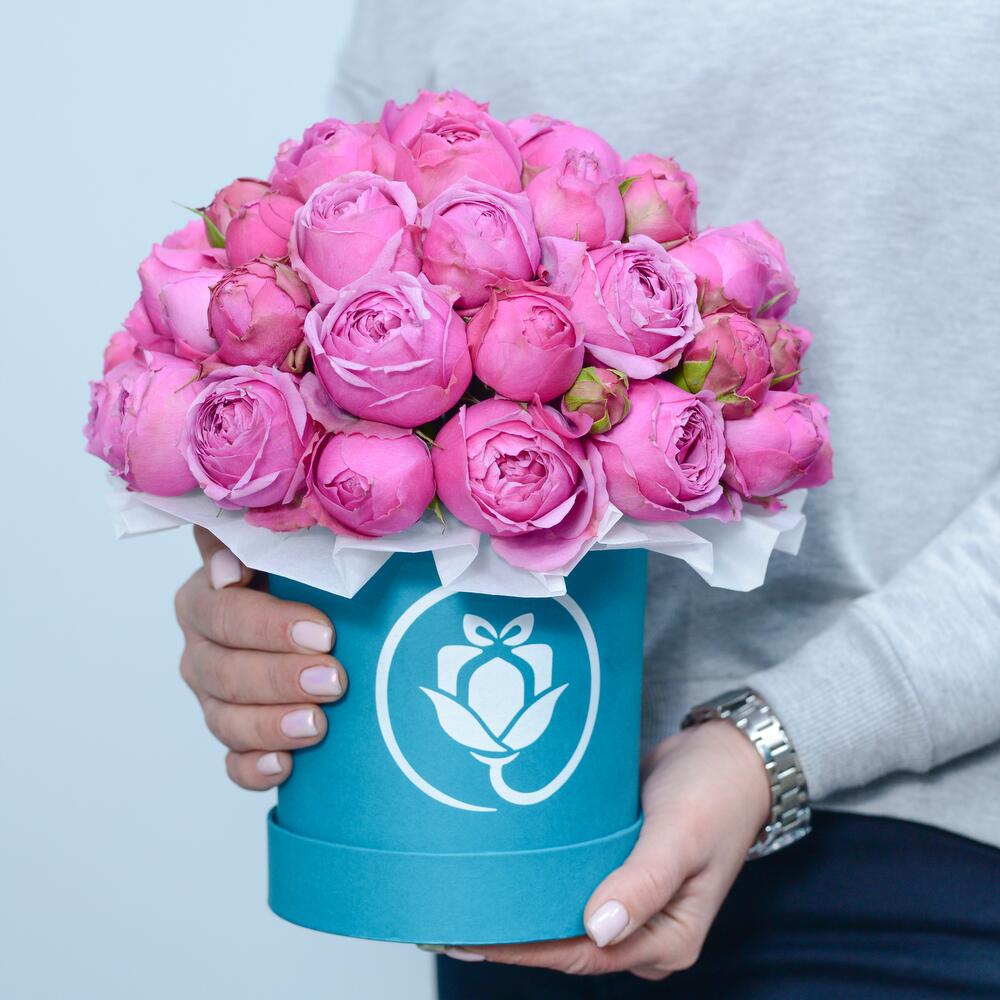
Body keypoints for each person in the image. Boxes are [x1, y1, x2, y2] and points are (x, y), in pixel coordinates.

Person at [173, 1, 1000, 995]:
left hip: (928, 868)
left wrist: (778, 743)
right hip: (509, 841)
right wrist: (262, 601)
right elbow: (314, 331)